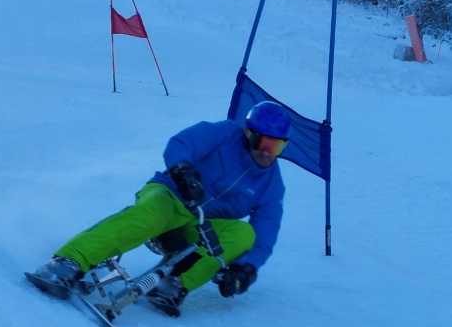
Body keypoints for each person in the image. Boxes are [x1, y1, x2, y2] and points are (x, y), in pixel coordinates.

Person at [34, 100, 291, 313]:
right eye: (263, 143)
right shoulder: (226, 133)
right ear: (249, 134)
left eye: (276, 146)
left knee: (245, 234)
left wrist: (247, 269)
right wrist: (183, 171)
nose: (267, 153)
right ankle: (67, 261)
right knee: (151, 217)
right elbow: (182, 143)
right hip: (171, 196)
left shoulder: (272, 186)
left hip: (197, 225)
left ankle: (173, 284)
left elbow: (263, 239)